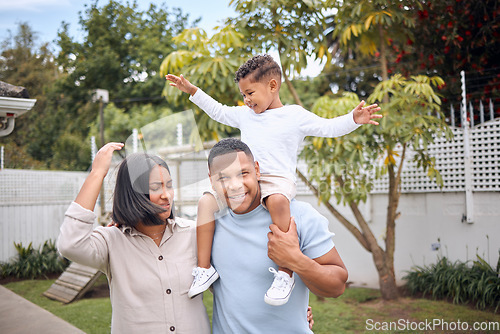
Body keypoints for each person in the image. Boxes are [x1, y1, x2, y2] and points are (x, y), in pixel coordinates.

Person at [166, 54, 382, 305]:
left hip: (277, 180)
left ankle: (285, 273)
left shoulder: (295, 116)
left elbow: (327, 127)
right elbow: (219, 111)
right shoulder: (246, 115)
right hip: (247, 181)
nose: (246, 100)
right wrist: (192, 90)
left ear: (272, 86)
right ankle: (204, 269)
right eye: (243, 95)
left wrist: (353, 120)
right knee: (205, 202)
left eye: (250, 93)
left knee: (278, 201)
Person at [57, 142, 211, 334]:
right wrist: (97, 174)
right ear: (132, 194)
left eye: (169, 186)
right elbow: (70, 243)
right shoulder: (112, 242)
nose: (167, 195)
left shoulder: (193, 234)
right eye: (156, 187)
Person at [207, 138, 347, 333]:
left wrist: (295, 260)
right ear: (211, 181)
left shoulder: (298, 215)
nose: (234, 185)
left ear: (257, 170)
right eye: (223, 178)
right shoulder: (209, 226)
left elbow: (337, 286)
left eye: (243, 173)